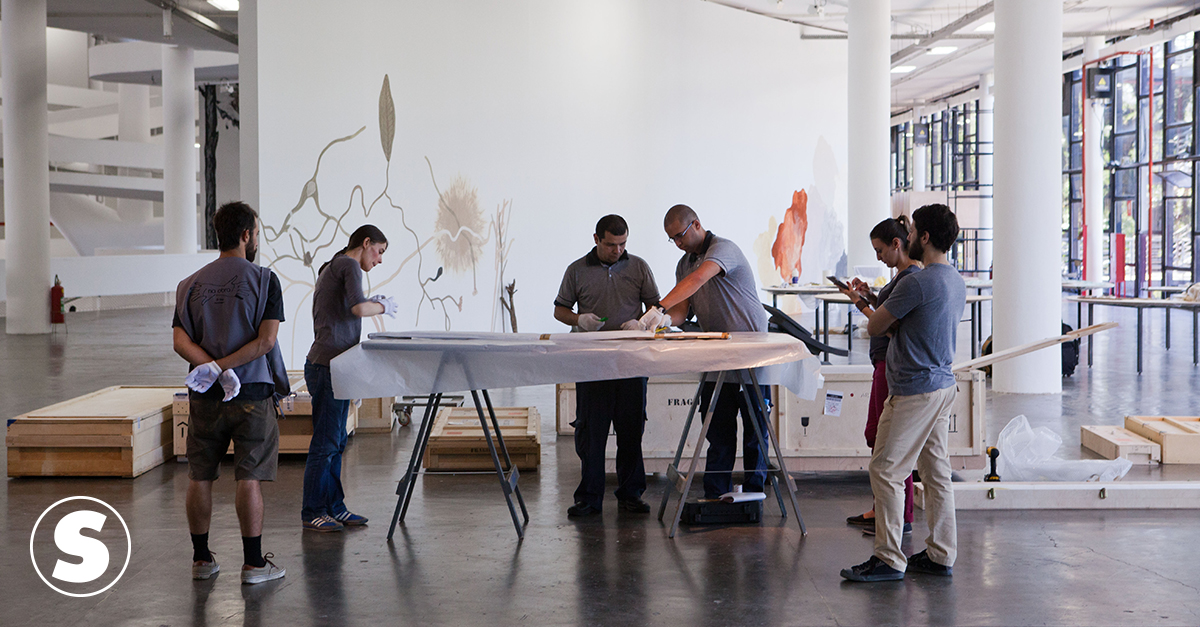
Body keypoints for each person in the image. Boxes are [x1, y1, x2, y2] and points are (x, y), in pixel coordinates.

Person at [840, 203, 966, 583]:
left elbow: (876, 326)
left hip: (915, 390)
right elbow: (912, 327)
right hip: (942, 385)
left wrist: (863, 303)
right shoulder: (954, 279)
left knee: (886, 469)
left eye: (911, 233)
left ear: (923, 237)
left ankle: (889, 558)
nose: (906, 237)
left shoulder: (917, 282)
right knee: (936, 473)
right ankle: (942, 554)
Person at [173, 201, 289, 585]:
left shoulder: (188, 284)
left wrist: (210, 367)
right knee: (249, 476)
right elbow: (266, 341)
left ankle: (201, 559)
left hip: (204, 394)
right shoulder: (265, 279)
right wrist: (227, 368)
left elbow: (179, 341)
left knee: (200, 475)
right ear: (246, 235)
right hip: (252, 393)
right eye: (255, 232)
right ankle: (254, 565)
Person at [640, 204, 771, 499]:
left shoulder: (723, 249)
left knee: (755, 430)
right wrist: (658, 322)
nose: (677, 244)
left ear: (696, 224)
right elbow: (682, 311)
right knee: (717, 428)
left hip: (751, 353)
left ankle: (754, 494)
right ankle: (716, 494)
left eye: (679, 235)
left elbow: (700, 279)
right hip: (717, 355)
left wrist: (658, 307)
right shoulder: (684, 265)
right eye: (671, 239)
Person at [554, 214, 661, 517]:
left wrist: (642, 323)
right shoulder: (577, 271)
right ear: (596, 239)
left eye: (623, 244)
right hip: (593, 364)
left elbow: (657, 305)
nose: (618, 250)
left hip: (630, 361)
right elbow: (560, 309)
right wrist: (578, 320)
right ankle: (589, 498)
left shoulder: (638, 267)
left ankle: (630, 495)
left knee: (631, 430)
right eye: (611, 244)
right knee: (591, 432)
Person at [302, 225, 396, 532]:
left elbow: (348, 308)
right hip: (328, 368)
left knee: (336, 441)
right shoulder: (348, 264)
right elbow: (358, 307)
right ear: (366, 243)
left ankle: (335, 507)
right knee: (325, 443)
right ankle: (313, 510)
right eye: (379, 252)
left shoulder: (335, 265)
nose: (379, 260)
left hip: (332, 367)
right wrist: (383, 306)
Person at [839, 216, 920, 537]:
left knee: (884, 439)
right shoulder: (902, 278)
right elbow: (890, 312)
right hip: (884, 364)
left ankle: (899, 513)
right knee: (880, 439)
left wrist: (860, 303)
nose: (878, 257)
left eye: (880, 250)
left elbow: (888, 325)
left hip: (891, 364)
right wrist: (872, 297)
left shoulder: (911, 278)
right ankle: (887, 508)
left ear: (897, 244)